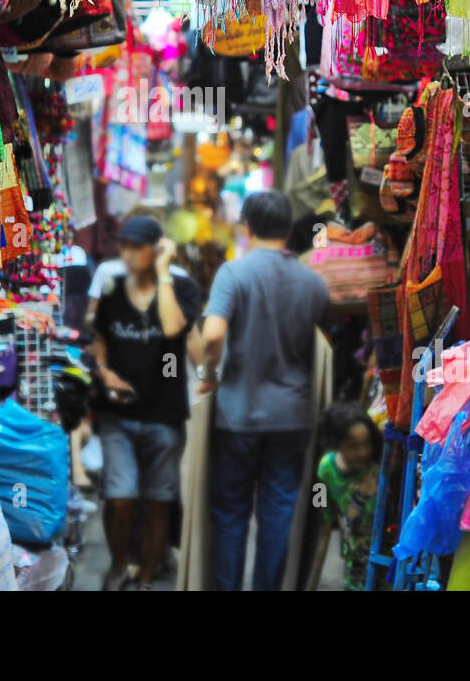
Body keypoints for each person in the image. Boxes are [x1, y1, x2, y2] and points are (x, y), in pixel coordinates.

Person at [193, 189, 331, 591]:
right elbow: (323, 346)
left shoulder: (234, 274)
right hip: (292, 417)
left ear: (247, 227)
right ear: (289, 229)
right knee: (277, 514)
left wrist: (207, 372)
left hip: (238, 415)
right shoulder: (313, 282)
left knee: (232, 513)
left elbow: (214, 334)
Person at [89, 215, 201, 590]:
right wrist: (104, 372)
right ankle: (121, 564)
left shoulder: (181, 289)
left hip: (164, 414)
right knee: (120, 495)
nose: (128, 253)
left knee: (158, 500)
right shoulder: (112, 288)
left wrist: (165, 272)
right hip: (117, 414)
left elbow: (172, 328)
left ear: (155, 249)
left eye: (137, 246)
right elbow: (100, 338)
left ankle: (148, 576)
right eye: (125, 246)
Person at [315, 404, 382, 590]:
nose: (362, 452)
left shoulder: (378, 469)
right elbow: (320, 501)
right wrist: (326, 515)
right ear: (337, 445)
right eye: (353, 447)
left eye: (366, 444)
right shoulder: (326, 467)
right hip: (353, 552)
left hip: (381, 549)